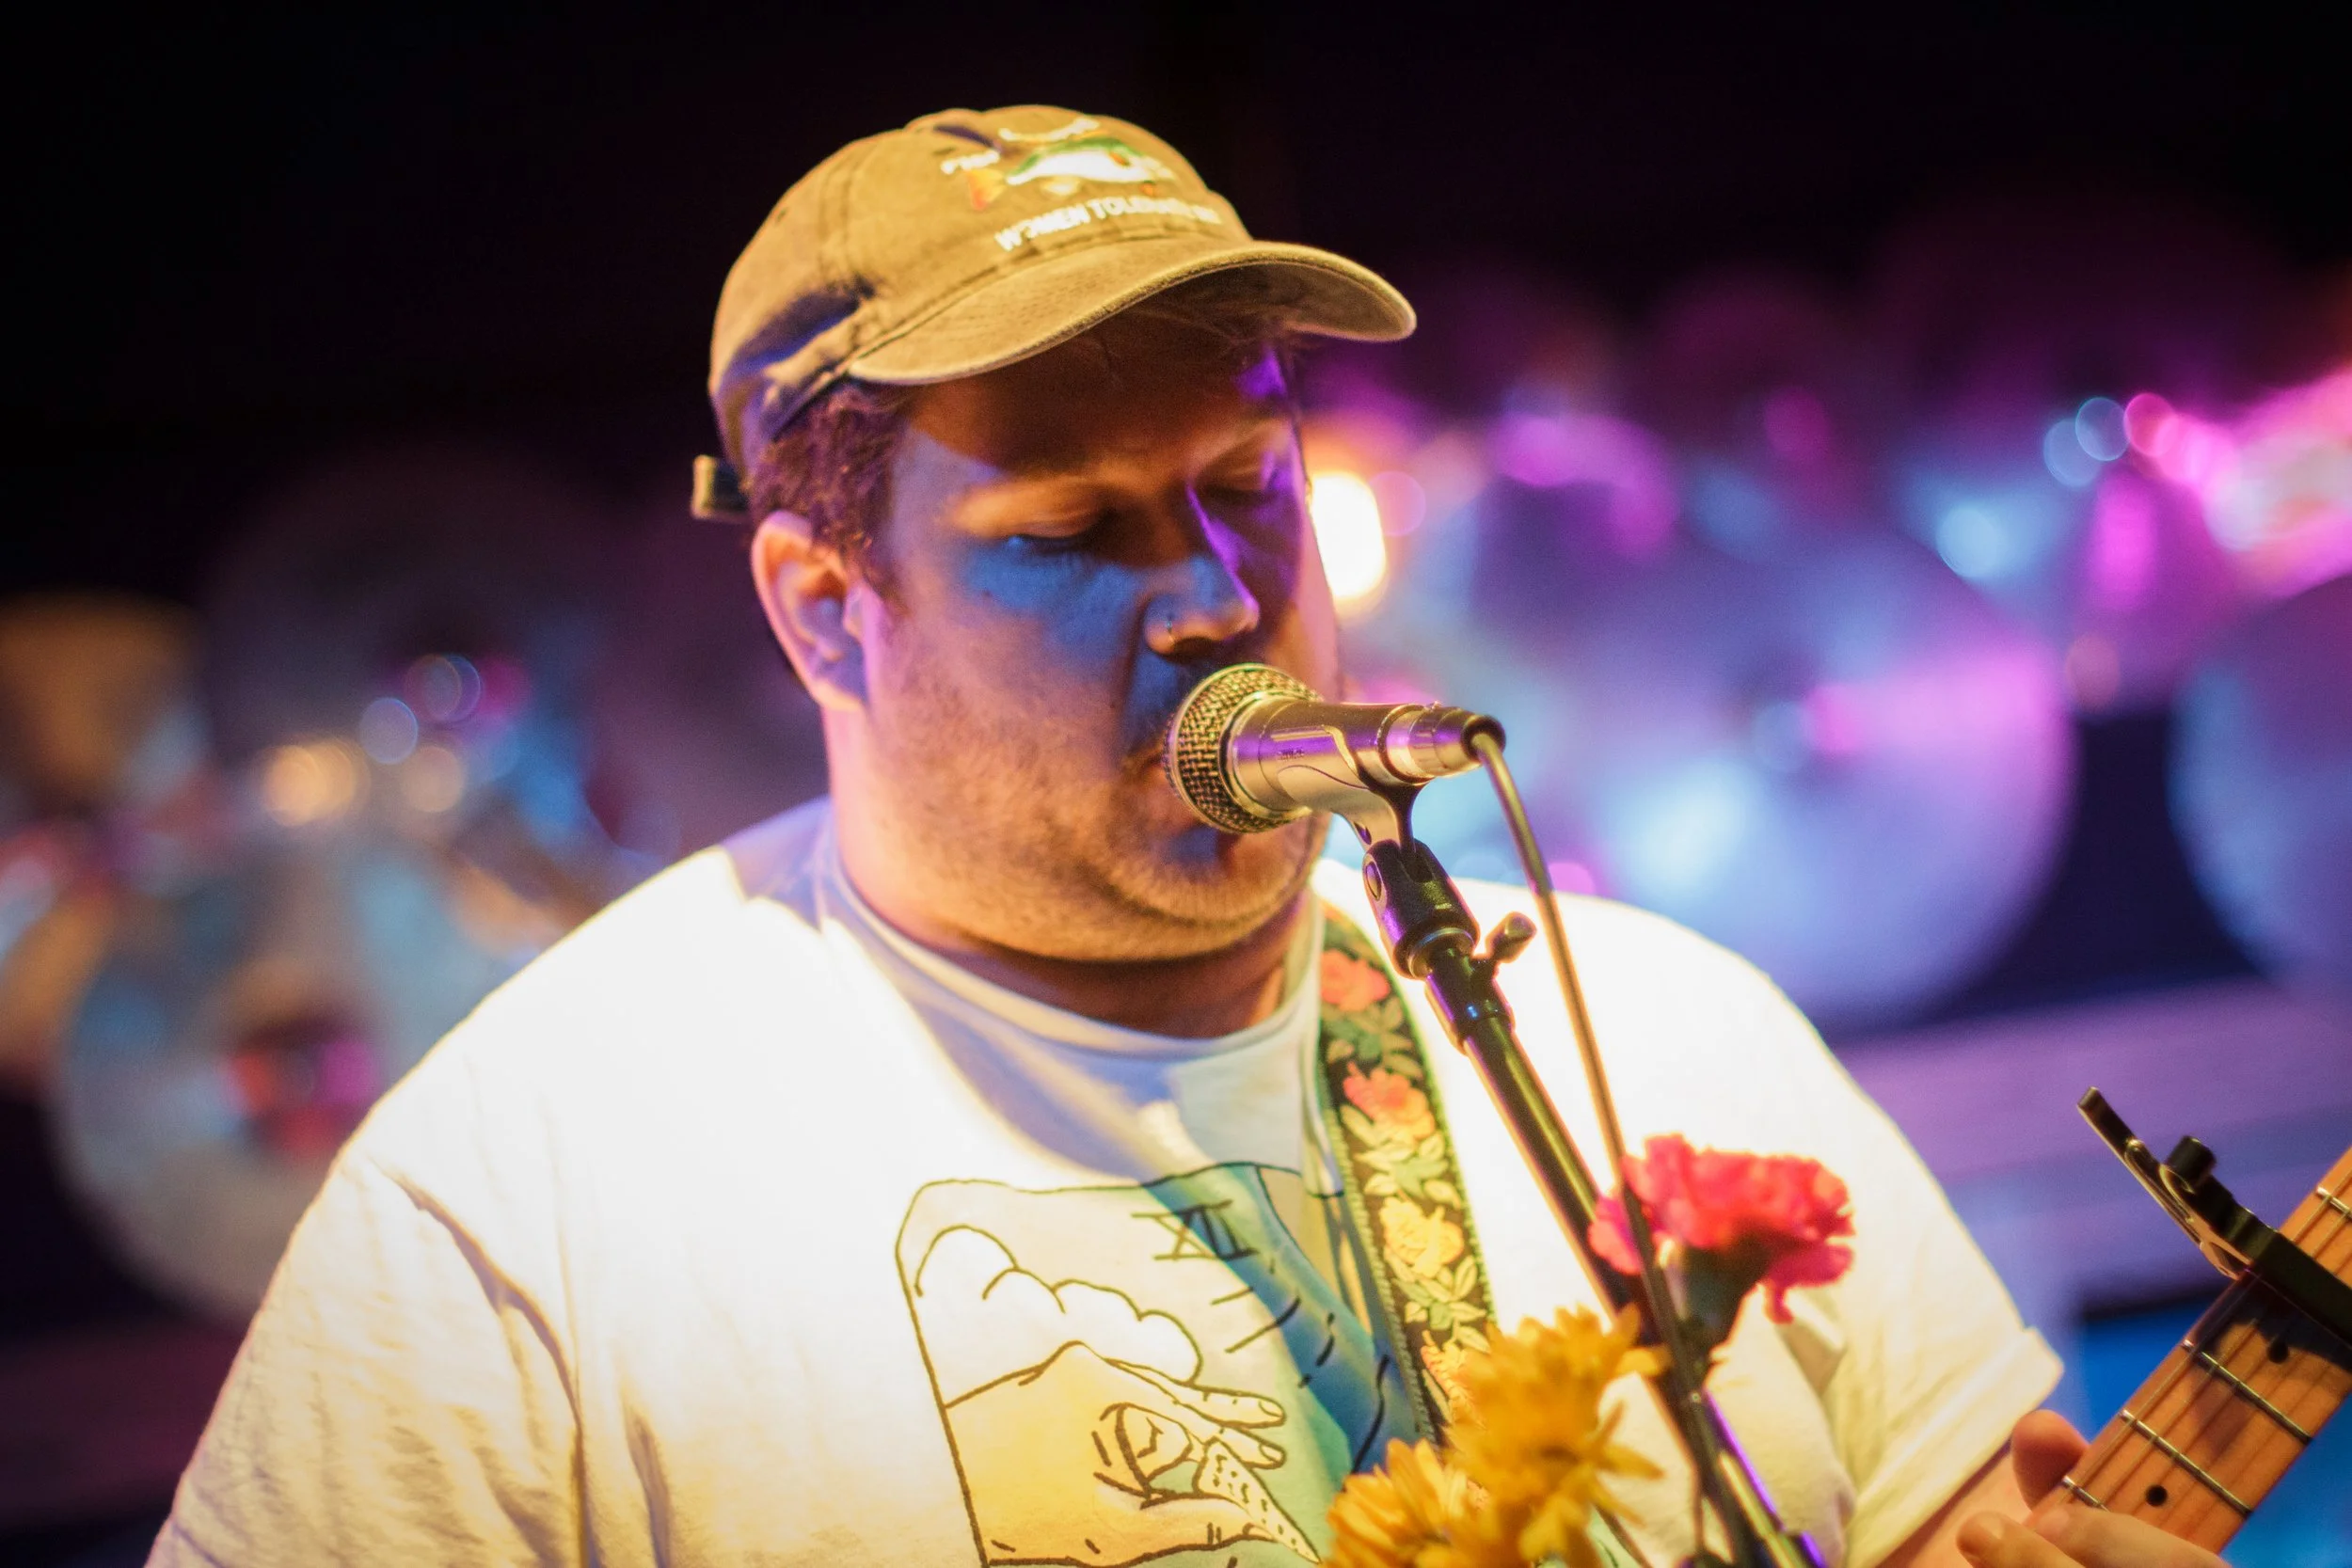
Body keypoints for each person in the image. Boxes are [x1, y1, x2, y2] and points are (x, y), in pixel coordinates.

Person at [149, 105, 2228, 1568]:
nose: (1219, 591)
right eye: (1074, 531)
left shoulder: (1666, 1035)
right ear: (817, 609)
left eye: (1248, 476)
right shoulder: (529, 1190)